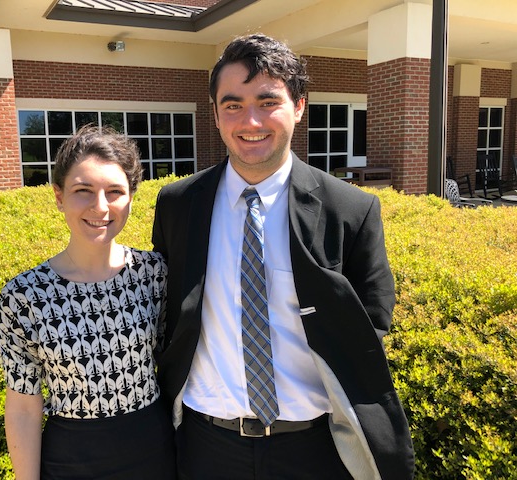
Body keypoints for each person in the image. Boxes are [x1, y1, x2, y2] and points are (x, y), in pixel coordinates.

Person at [152, 34, 415, 479]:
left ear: (298, 106)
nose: (249, 120)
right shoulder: (179, 204)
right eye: (232, 104)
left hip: (313, 448)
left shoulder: (349, 208)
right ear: (215, 114)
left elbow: (372, 319)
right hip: (205, 446)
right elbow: (167, 311)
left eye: (267, 101)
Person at [0, 125, 175, 479]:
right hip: (70, 461)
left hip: (154, 451)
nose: (101, 207)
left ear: (131, 198)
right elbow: (23, 409)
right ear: (59, 196)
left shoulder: (155, 274)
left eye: (115, 192)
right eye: (83, 191)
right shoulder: (24, 297)